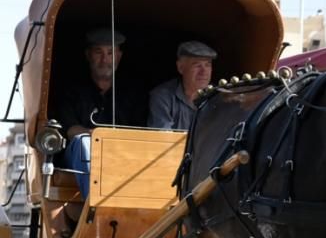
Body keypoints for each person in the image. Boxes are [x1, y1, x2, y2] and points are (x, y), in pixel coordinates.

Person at [54, 27, 147, 200]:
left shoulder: (134, 93)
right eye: (99, 52)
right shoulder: (71, 90)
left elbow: (139, 133)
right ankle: (96, 207)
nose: (105, 60)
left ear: (119, 56)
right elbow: (70, 129)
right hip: (79, 156)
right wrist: (98, 137)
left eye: (110, 53)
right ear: (88, 55)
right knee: (83, 143)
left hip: (122, 154)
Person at [148, 40, 217, 130]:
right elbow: (162, 137)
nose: (204, 72)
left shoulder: (218, 96)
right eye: (197, 65)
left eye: (207, 65)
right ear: (180, 67)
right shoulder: (163, 96)